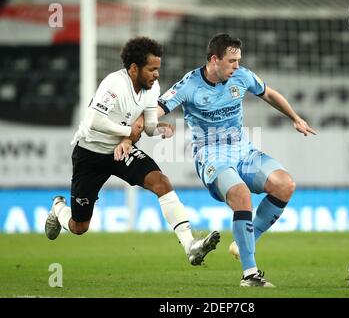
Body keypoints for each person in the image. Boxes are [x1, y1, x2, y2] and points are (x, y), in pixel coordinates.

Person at [123, 33, 316, 287]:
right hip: (211, 156)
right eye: (232, 61)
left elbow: (269, 94)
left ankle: (244, 242)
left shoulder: (242, 76)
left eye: (238, 60)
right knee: (242, 195)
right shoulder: (189, 85)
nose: (237, 66)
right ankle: (250, 275)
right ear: (215, 59)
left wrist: (295, 117)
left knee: (285, 184)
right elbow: (155, 110)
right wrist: (137, 132)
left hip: (243, 151)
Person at [45, 36, 220, 266]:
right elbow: (95, 121)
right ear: (134, 68)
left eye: (158, 68)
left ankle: (190, 245)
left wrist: (158, 129)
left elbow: (146, 127)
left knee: (161, 182)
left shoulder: (152, 87)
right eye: (151, 69)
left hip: (122, 152)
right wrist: (127, 130)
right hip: (90, 154)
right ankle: (58, 209)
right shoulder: (113, 85)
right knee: (79, 227)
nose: (156, 74)